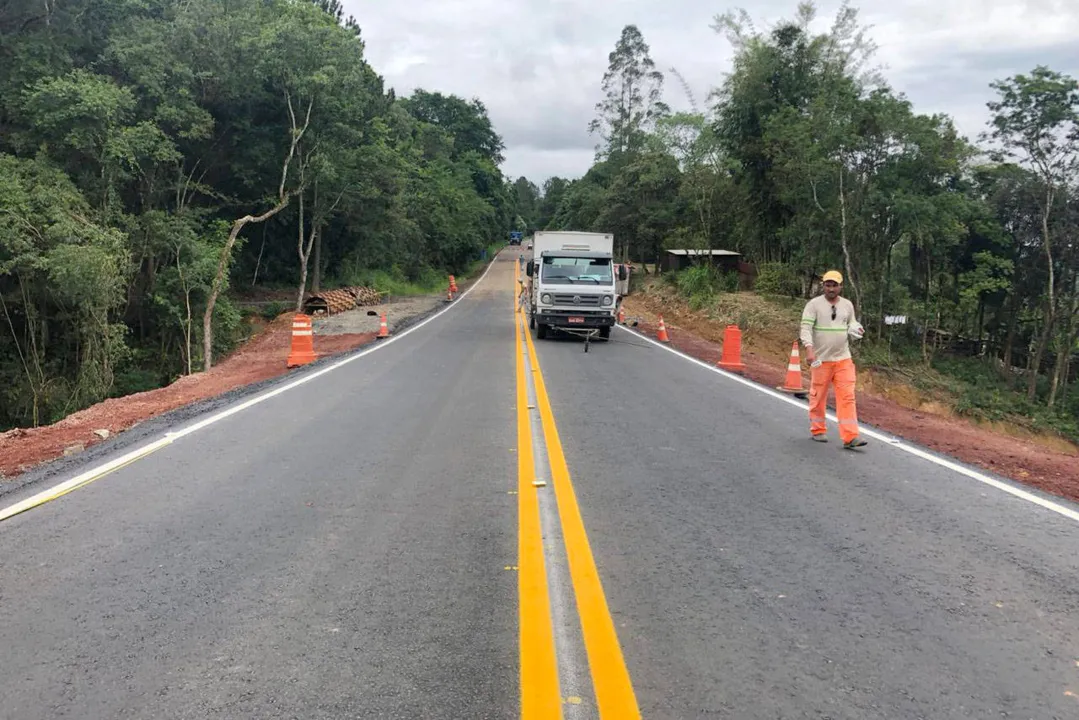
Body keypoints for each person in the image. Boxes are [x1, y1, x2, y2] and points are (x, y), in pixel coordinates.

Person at [799, 270, 867, 449]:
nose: (831, 288)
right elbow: (806, 328)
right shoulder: (813, 305)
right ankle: (818, 429)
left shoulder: (847, 305)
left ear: (840, 286)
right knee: (818, 394)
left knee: (847, 396)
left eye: (834, 285)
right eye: (828, 285)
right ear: (823, 286)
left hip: (843, 358)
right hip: (821, 359)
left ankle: (851, 436)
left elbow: (851, 323)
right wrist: (809, 349)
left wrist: (856, 330)